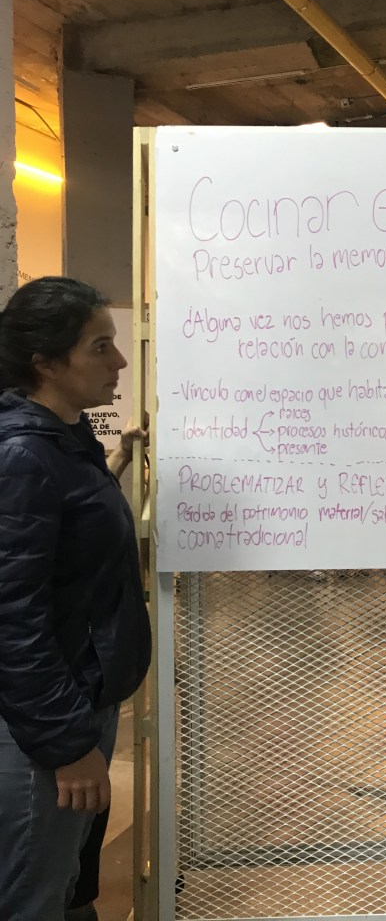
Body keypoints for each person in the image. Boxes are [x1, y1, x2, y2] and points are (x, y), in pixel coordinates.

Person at [0, 276, 152, 921]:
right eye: (100, 346)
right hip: (43, 726)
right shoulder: (22, 456)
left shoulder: (65, 440)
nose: (119, 361)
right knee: (34, 897)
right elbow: (12, 620)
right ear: (47, 362)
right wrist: (65, 744)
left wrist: (121, 461)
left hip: (81, 701)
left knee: (64, 888)